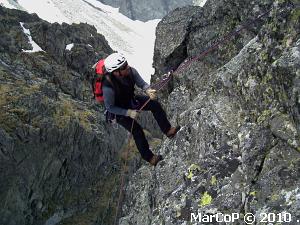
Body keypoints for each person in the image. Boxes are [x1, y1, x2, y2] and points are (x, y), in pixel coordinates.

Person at [102, 52, 180, 166]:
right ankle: (150, 158)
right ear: (116, 72)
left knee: (155, 105)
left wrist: (148, 90)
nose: (127, 67)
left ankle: (168, 130)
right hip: (119, 112)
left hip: (130, 100)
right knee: (137, 131)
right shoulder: (108, 87)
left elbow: (141, 83)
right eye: (123, 66)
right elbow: (110, 107)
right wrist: (127, 112)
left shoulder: (130, 71)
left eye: (126, 63)